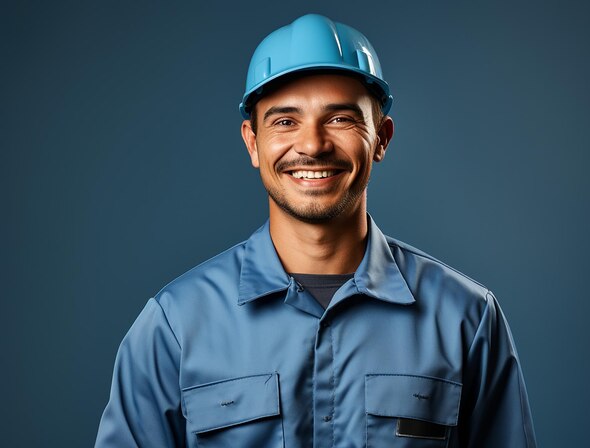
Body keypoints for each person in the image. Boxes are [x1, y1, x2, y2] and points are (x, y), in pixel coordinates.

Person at [95, 13, 537, 447]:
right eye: (285, 121)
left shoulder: (467, 319)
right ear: (252, 142)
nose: (312, 144)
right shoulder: (174, 325)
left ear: (381, 138)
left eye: (341, 119)